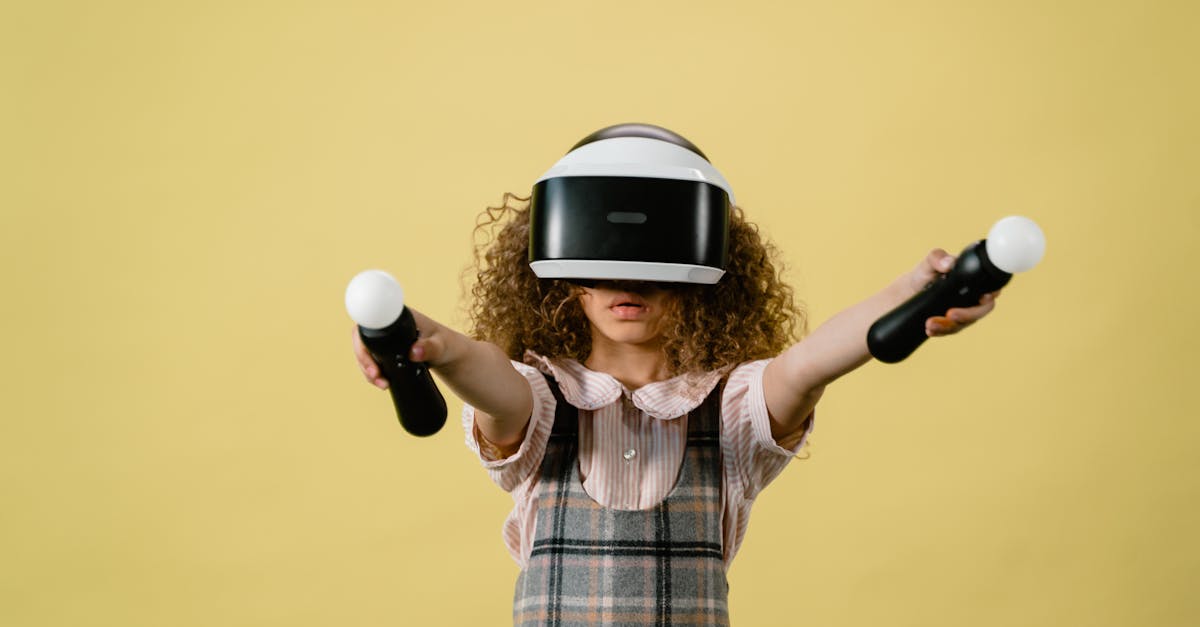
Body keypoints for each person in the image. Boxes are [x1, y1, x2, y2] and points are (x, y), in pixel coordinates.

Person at [352, 126, 998, 626]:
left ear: (706, 272)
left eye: (654, 266)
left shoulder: (736, 409)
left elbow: (813, 357)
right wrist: (425, 339)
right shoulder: (537, 398)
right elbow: (489, 372)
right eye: (602, 263)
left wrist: (917, 290)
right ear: (558, 274)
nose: (626, 283)